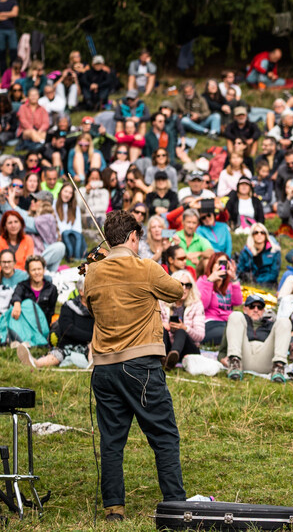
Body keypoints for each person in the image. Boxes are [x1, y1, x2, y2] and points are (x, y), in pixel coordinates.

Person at [81, 209, 186, 521]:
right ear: (132, 237)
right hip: (139, 364)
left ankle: (114, 508)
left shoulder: (92, 272)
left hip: (104, 367)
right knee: (164, 436)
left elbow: (91, 307)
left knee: (112, 440)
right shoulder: (145, 267)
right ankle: (175, 505)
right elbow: (177, 292)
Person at [225, 292, 293, 382]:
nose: (256, 310)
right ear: (245, 309)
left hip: (265, 359)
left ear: (263, 311)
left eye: (259, 307)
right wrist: (222, 358)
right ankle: (234, 363)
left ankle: (279, 367)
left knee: (284, 321)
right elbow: (225, 345)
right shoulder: (238, 321)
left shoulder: (270, 324)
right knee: (235, 315)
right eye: (252, 306)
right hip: (243, 358)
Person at [161, 270, 204, 369]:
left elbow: (200, 336)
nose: (184, 288)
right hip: (166, 345)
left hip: (188, 349)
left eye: (188, 285)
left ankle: (173, 357)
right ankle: (162, 357)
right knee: (161, 329)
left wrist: (185, 328)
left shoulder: (196, 305)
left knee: (181, 331)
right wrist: (162, 324)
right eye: (181, 284)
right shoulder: (162, 302)